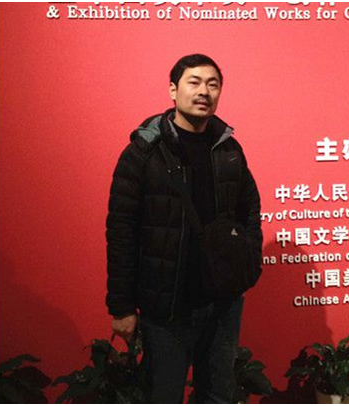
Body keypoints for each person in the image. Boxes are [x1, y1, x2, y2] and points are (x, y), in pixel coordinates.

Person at [105, 54, 263, 403]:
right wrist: (122, 306)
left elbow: (250, 209)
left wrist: (247, 259)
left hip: (221, 302)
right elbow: (121, 230)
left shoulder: (228, 149)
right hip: (166, 306)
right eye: (194, 82)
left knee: (218, 394)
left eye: (213, 84)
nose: (204, 91)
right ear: (173, 90)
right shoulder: (143, 152)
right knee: (163, 395)